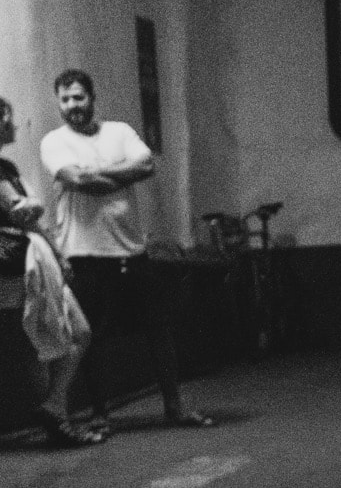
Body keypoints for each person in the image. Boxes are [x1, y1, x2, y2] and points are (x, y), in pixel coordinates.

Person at [39, 69, 213, 429]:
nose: (72, 105)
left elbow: (146, 164)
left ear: (92, 97)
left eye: (79, 97)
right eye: (65, 99)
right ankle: (101, 414)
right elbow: (76, 178)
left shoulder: (120, 132)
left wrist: (99, 174)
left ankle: (174, 407)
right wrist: (120, 173)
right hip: (82, 253)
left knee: (159, 329)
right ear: (59, 103)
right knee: (93, 338)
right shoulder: (53, 142)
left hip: (131, 250)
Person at [0, 91, 100, 447]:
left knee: (79, 332)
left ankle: (54, 407)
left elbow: (32, 210)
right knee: (48, 338)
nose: (15, 125)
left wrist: (55, 250)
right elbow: (23, 213)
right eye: (9, 118)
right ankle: (59, 420)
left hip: (34, 255)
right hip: (17, 262)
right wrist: (40, 220)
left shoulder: (4, 168)